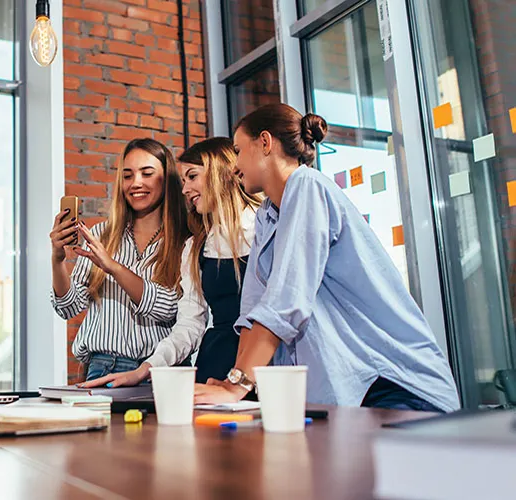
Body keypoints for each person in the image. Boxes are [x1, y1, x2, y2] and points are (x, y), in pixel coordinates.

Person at [194, 103, 460, 413]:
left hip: (391, 383)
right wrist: (233, 382)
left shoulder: (308, 186)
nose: (234, 165)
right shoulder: (268, 216)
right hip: (351, 391)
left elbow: (286, 300)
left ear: (265, 143)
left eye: (238, 150)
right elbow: (254, 310)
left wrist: (236, 386)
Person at [82, 137, 262, 389]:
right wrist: (145, 369)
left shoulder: (267, 228)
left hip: (264, 365)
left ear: (220, 173)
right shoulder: (196, 246)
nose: (185, 189)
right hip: (216, 366)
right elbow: (190, 323)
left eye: (192, 176)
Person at [50, 138, 189, 381]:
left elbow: (172, 309)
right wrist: (57, 258)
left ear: (167, 180)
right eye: (127, 176)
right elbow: (68, 306)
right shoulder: (103, 235)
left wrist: (113, 268)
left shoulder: (185, 241)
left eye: (147, 173)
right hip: (104, 367)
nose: (136, 183)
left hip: (164, 373)